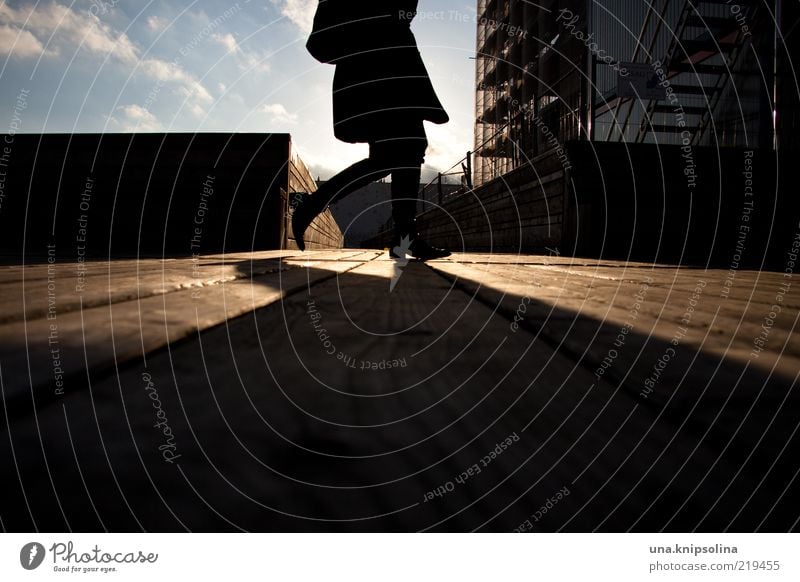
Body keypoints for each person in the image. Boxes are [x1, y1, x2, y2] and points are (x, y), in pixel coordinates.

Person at [292, 1, 451, 260]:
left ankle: (403, 237)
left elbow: (405, 12)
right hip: (376, 74)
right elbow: (323, 38)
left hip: (393, 69)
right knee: (401, 151)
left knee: (402, 151)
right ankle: (401, 237)